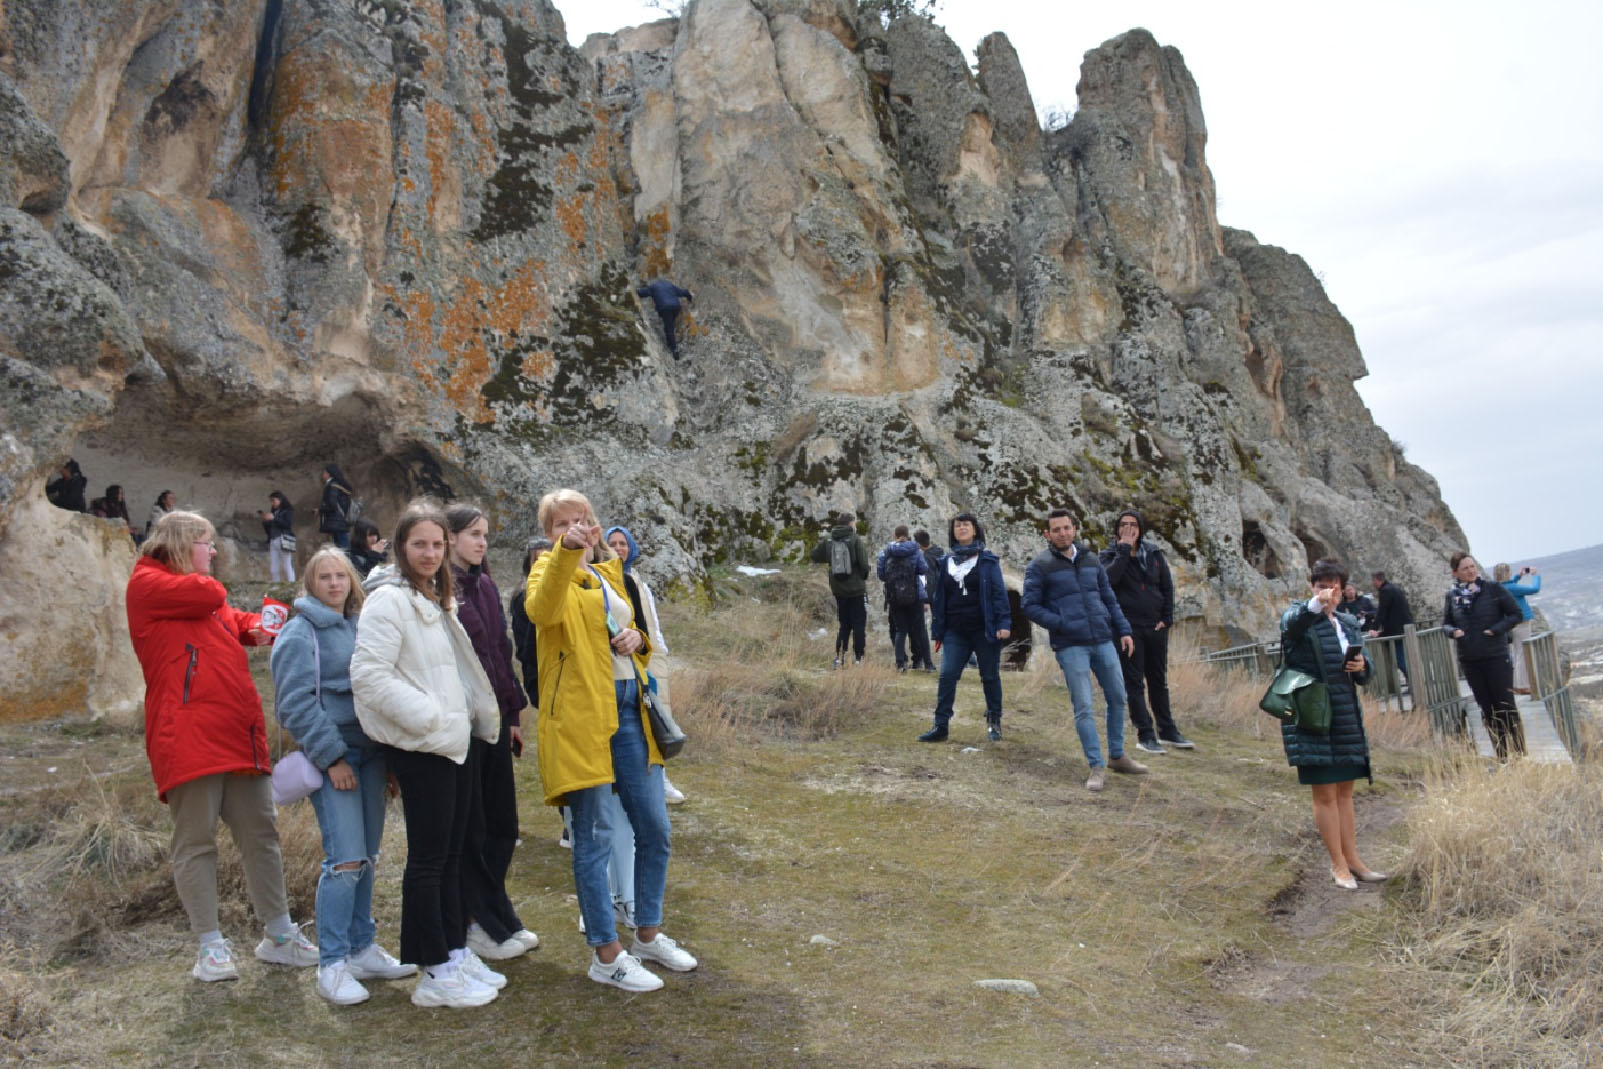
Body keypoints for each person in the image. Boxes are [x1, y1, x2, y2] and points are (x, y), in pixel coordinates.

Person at [125, 510, 318, 982]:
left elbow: (235, 621)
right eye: (206, 543)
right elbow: (211, 595)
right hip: (187, 735)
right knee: (196, 843)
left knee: (262, 834)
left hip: (234, 732)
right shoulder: (149, 584)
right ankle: (210, 947)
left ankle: (279, 935)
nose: (213, 552)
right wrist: (221, 595)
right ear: (180, 543)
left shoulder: (193, 595)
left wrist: (271, 625)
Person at [525, 488, 697, 992]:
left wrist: (637, 642)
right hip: (582, 719)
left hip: (629, 713)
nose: (574, 529)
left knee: (655, 827)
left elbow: (633, 646)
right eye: (562, 524)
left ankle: (646, 932)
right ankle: (606, 953)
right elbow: (542, 611)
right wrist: (565, 553)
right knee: (594, 835)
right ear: (549, 533)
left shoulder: (605, 576)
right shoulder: (545, 572)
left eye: (582, 520)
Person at [350, 501, 504, 1008]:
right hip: (425, 745)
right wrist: (431, 718)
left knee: (453, 854)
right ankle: (433, 969)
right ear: (401, 546)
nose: (431, 553)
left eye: (438, 544)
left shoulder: (435, 597)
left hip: (452, 743)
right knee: (429, 860)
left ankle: (454, 951)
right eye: (421, 544)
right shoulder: (388, 601)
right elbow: (370, 677)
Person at [270, 548, 416, 1005]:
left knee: (368, 857)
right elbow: (293, 704)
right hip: (335, 758)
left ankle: (361, 947)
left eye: (341, 576)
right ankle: (331, 964)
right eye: (324, 577)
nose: (334, 584)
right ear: (310, 584)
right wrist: (332, 758)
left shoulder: (361, 624)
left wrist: (390, 758)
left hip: (373, 755)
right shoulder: (298, 633)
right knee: (345, 860)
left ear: (352, 581)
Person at [444, 504, 539, 964]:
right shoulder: (442, 589)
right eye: (472, 535)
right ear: (450, 539)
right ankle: (474, 921)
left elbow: (501, 653)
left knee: (503, 825)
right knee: (475, 828)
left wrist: (515, 713)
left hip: (497, 720)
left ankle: (495, 913)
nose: (482, 542)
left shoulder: (482, 584)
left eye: (484, 534)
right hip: (465, 724)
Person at [1279, 558, 1384, 891]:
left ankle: (1353, 860)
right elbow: (1289, 627)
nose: (1329, 591)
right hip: (1312, 713)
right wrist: (1315, 605)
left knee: (1345, 792)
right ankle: (1337, 865)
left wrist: (1361, 664)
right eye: (1322, 584)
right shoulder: (1299, 615)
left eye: (1334, 585)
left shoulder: (1348, 623)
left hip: (1344, 712)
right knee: (1324, 793)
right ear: (1312, 586)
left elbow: (1366, 672)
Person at [1023, 510, 1146, 790]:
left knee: (1118, 697)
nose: (1063, 533)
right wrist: (1061, 623)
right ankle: (1096, 766)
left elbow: (1108, 597)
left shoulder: (1091, 559)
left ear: (1075, 529)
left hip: (1103, 639)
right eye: (1056, 530)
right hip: (1070, 645)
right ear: (1047, 534)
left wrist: (1124, 630)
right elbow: (1029, 605)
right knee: (1084, 708)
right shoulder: (1039, 566)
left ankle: (1117, 755)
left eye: (1067, 528)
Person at [605, 526, 685, 806]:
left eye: (623, 543)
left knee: (660, 715)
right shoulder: (608, 580)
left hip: (654, 652)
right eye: (612, 543)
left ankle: (660, 776)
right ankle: (648, 781)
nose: (618, 548)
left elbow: (650, 620)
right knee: (640, 720)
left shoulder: (635, 578)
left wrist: (659, 647)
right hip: (632, 657)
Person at [1099, 509, 1190, 754]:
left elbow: (1166, 587)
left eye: (1134, 524)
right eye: (1124, 525)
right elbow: (1108, 582)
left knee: (1159, 681)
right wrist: (1122, 552)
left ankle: (1168, 730)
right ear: (1117, 529)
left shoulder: (1153, 553)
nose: (1129, 529)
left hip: (1155, 628)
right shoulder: (1108, 555)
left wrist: (1167, 618)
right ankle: (1145, 734)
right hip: (1128, 629)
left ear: (1141, 528)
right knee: (1134, 682)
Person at [918, 512, 1011, 743]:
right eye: (957, 525)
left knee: (989, 676)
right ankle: (940, 726)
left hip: (984, 629)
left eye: (966, 525)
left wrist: (1004, 623)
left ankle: (994, 722)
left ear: (975, 529)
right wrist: (938, 627)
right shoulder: (944, 562)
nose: (961, 528)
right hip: (954, 630)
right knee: (947, 675)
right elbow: (940, 596)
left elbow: (999, 594)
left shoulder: (988, 561)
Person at [1444, 553, 1525, 759]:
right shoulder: (1452, 595)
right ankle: (1502, 755)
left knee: (1505, 705)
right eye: (1465, 569)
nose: (1471, 571)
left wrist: (1496, 630)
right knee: (1487, 709)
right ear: (1456, 573)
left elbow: (1516, 614)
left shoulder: (1493, 589)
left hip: (1496, 656)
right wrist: (1453, 632)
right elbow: (1446, 623)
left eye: (1472, 566)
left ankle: (1520, 752)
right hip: (1470, 659)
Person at [809, 510, 871, 668]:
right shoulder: (855, 539)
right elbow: (864, 564)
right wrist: (863, 577)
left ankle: (839, 657)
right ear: (851, 523)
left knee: (844, 624)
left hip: (838, 589)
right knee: (858, 624)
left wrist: (831, 559)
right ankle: (859, 659)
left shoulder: (828, 539)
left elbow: (815, 556)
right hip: (856, 590)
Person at [877, 525, 932, 673]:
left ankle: (901, 664)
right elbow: (923, 569)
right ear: (908, 536)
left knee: (901, 631)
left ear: (894, 535)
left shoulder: (885, 552)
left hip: (894, 596)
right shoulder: (916, 550)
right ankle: (928, 664)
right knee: (920, 630)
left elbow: (881, 575)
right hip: (913, 595)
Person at [1492, 563, 1541, 694]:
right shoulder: (1513, 588)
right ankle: (1522, 686)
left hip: (1510, 625)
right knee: (1522, 654)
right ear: (1506, 573)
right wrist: (1536, 575)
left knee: (1517, 653)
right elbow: (1534, 589)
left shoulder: (1498, 587)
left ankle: (1517, 684)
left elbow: (1510, 583)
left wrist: (1518, 576)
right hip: (1522, 624)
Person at [1368, 571, 1415, 681]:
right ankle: (1412, 682)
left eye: (1373, 581)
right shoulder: (1393, 588)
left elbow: (1382, 611)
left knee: (1399, 658)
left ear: (1376, 580)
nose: (1372, 583)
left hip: (1397, 630)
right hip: (1403, 627)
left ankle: (1413, 682)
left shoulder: (1386, 591)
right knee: (1403, 657)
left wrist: (1374, 628)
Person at [635, 278, 693, 359]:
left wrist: (635, 290)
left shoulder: (653, 287)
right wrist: (690, 298)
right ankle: (670, 342)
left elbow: (641, 293)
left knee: (669, 327)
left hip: (665, 307)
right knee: (669, 325)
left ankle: (674, 349)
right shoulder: (670, 285)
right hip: (676, 307)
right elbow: (684, 292)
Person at [259, 491, 296, 582]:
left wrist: (274, 518)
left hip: (283, 539)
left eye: (273, 500)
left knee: (286, 565)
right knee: (273, 567)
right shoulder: (274, 511)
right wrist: (265, 521)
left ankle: (292, 584)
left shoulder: (287, 511)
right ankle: (276, 585)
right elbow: (270, 528)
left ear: (280, 500)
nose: (272, 503)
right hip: (273, 539)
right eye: (271, 501)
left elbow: (287, 524)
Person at [317, 463, 356, 550]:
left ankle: (349, 563)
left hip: (336, 521)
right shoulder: (338, 485)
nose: (322, 475)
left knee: (343, 549)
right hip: (340, 521)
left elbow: (332, 504)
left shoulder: (332, 486)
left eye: (324, 472)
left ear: (329, 473)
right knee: (342, 548)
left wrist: (321, 510)